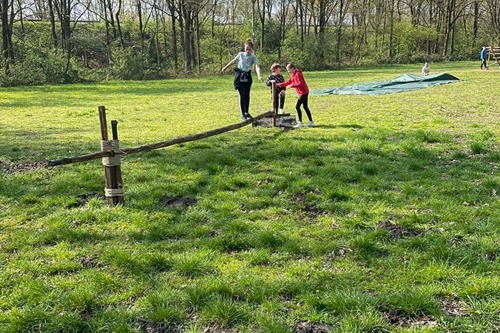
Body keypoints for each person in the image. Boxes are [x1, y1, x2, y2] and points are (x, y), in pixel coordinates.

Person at [221, 38, 262, 121]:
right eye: (246, 49)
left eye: (249, 49)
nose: (247, 51)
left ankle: (247, 112)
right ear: (244, 48)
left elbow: (257, 66)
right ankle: (243, 114)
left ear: (252, 50)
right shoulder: (240, 54)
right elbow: (233, 61)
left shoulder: (253, 57)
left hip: (247, 76)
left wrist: (259, 75)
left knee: (247, 95)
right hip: (239, 76)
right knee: (242, 94)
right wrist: (225, 68)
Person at [279, 63, 314, 128]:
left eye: (289, 70)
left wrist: (291, 85)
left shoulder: (298, 74)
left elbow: (300, 83)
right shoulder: (292, 74)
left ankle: (300, 122)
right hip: (301, 92)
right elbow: (288, 82)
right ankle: (311, 122)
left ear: (292, 68)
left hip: (303, 92)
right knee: (305, 107)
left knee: (297, 106)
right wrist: (280, 84)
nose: (288, 71)